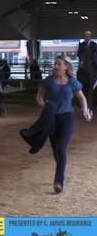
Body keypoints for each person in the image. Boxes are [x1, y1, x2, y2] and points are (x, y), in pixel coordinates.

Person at [33, 55, 91, 193]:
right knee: (55, 149)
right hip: (51, 118)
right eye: (55, 63)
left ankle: (58, 181)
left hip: (66, 118)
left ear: (66, 66)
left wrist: (85, 111)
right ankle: (61, 170)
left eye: (59, 63)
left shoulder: (72, 82)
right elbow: (39, 97)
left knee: (61, 148)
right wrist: (44, 105)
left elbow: (81, 98)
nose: (56, 66)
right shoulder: (48, 81)